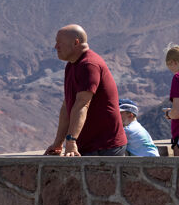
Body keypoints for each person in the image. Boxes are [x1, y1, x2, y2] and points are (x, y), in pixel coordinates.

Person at [44, 24, 127, 156]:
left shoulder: (89, 65)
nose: (56, 47)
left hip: (104, 147)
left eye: (60, 43)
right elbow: (67, 107)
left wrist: (71, 140)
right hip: (89, 145)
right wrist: (58, 143)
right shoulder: (72, 65)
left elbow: (82, 104)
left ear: (76, 42)